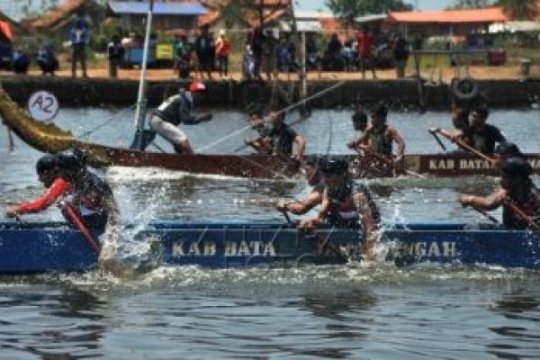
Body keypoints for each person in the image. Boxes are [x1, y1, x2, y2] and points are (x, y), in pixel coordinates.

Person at [6, 150, 119, 237]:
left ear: (73, 170)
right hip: (89, 221)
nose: (39, 180)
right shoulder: (72, 177)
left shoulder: (67, 180)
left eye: (41, 175)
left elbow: (42, 205)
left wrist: (17, 209)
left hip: (97, 227)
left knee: (68, 206)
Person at [297, 158, 380, 259]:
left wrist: (370, 255)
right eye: (323, 175)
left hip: (362, 228)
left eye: (329, 175)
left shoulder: (357, 195)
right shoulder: (328, 191)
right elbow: (321, 218)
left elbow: (369, 227)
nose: (325, 179)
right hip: (343, 224)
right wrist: (311, 222)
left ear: (342, 175)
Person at [459, 157, 539, 229]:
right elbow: (488, 204)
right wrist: (469, 199)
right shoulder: (505, 192)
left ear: (517, 178)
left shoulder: (535, 196)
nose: (501, 180)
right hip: (510, 233)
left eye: (504, 177)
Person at [149, 82, 213, 154]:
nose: (202, 96)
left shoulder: (183, 97)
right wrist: (202, 117)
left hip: (156, 120)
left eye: (203, 94)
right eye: (199, 93)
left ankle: (179, 162)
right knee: (183, 140)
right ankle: (193, 161)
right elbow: (186, 120)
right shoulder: (185, 100)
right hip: (160, 121)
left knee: (178, 144)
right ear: (193, 92)